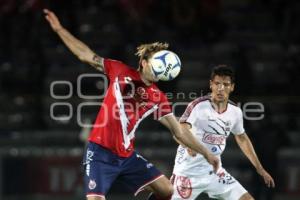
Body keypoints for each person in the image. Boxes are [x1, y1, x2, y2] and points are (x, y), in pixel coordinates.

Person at [43, 9, 220, 200]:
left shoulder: (157, 97)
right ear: (143, 62)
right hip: (100, 153)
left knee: (168, 191)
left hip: (126, 157)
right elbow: (86, 55)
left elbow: (178, 131)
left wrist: (206, 153)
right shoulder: (119, 70)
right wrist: (60, 29)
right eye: (154, 62)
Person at [170, 65, 275, 200]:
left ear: (232, 87)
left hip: (215, 172)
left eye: (225, 84)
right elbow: (180, 130)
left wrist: (259, 168)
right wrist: (187, 145)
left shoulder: (235, 112)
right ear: (211, 85)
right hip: (188, 172)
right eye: (217, 84)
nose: (221, 88)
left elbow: (241, 137)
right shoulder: (198, 106)